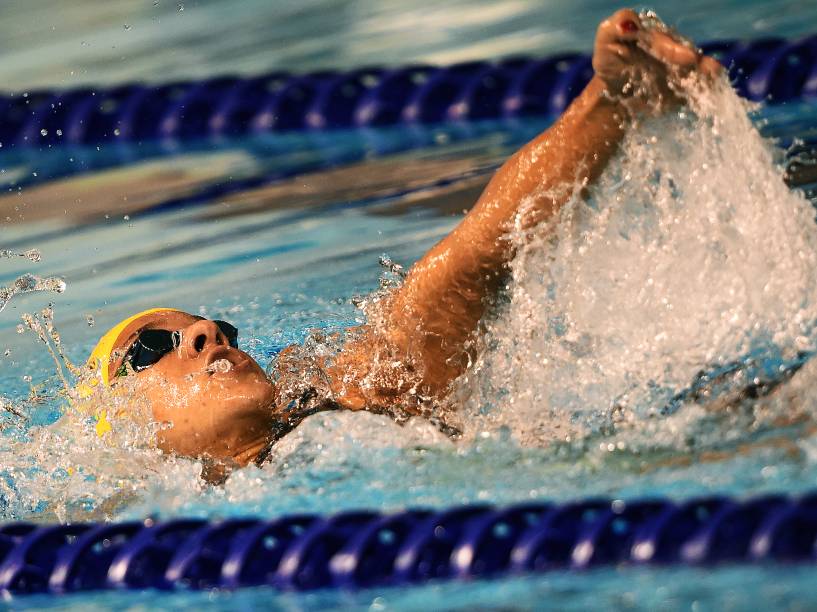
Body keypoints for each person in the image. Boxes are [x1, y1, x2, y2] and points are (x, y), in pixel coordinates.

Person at [78, 9, 722, 473]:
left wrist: (610, 101)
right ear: (121, 433)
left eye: (218, 327)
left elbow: (464, 267)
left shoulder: (349, 406)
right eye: (152, 349)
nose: (208, 336)